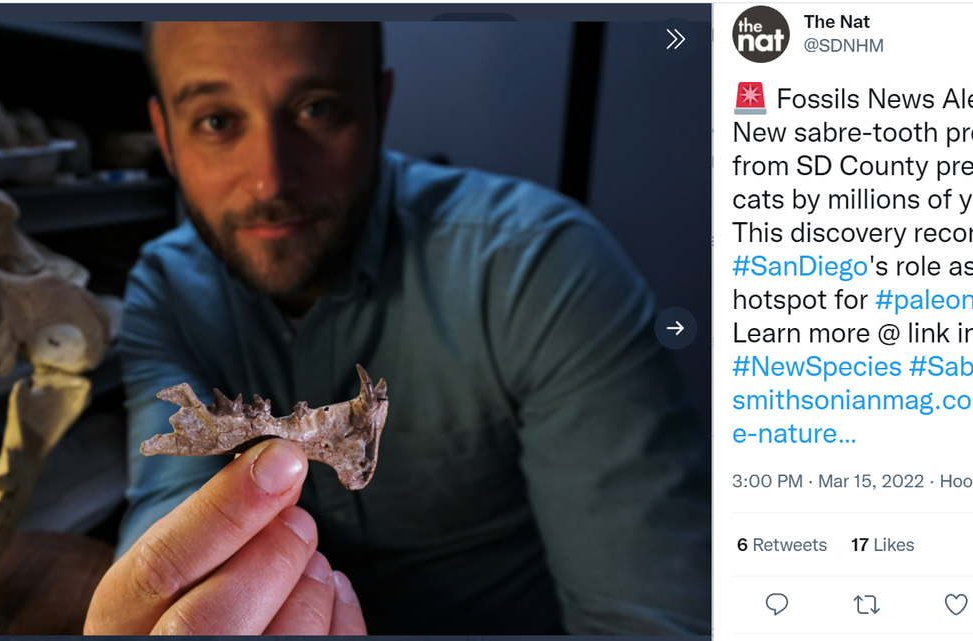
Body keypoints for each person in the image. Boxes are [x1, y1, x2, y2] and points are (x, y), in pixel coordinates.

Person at [85, 21, 709, 635]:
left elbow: (655, 617)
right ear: (165, 136)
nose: (270, 178)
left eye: (317, 108)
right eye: (217, 121)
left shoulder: (538, 267)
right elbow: (167, 526)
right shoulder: (166, 289)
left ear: (379, 105)